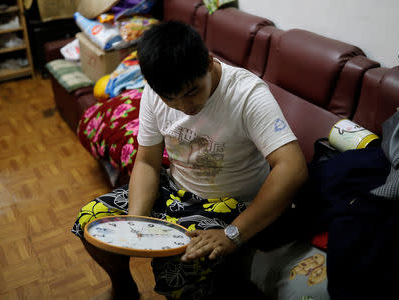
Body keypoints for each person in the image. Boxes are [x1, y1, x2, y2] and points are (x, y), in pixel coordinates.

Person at [72, 20, 308, 300]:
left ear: (208, 63)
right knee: (91, 222)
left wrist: (234, 233)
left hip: (229, 204)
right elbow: (147, 162)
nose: (185, 107)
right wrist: (134, 222)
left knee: (177, 267)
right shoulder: (154, 93)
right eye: (171, 99)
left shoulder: (247, 95)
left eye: (192, 92)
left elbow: (292, 168)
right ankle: (123, 289)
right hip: (175, 189)